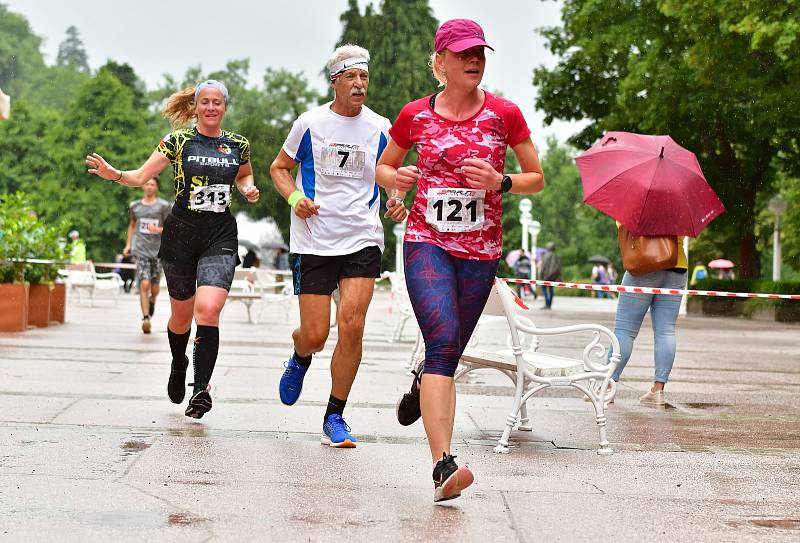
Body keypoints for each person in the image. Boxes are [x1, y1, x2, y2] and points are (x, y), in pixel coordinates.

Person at [375, 19, 545, 502]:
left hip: (481, 251)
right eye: (465, 53)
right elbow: (384, 164)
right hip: (427, 241)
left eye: (481, 53)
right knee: (446, 344)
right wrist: (398, 177)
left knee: (442, 353)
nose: (475, 60)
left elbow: (536, 177)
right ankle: (442, 465)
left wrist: (501, 181)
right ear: (442, 60)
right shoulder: (414, 115)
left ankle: (421, 379)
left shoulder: (504, 114)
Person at [86, 79, 260, 419]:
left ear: (225, 107)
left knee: (208, 310)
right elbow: (140, 176)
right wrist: (115, 173)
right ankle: (179, 362)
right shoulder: (177, 141)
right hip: (181, 234)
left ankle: (201, 389)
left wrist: (249, 188)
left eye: (217, 103)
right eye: (205, 102)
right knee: (181, 318)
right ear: (195, 107)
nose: (211, 108)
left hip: (219, 234)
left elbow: (244, 176)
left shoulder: (238, 144)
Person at [269, 44, 407, 449]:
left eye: (364, 77)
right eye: (351, 77)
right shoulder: (309, 123)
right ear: (335, 81)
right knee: (316, 333)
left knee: (353, 326)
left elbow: (390, 174)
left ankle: (335, 415)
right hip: (314, 238)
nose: (360, 84)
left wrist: (397, 199)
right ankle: (300, 356)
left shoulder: (382, 127)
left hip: (362, 237)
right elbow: (279, 169)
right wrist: (295, 199)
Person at [610, 229, 688, 406]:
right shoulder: (679, 204)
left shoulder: (638, 202)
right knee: (666, 331)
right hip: (676, 265)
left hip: (644, 261)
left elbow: (623, 224)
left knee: (625, 331)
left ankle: (608, 387)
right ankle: (658, 390)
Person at [124, 178, 170, 334]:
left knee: (155, 288)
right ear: (143, 186)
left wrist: (158, 230)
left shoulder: (163, 206)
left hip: (158, 252)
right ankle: (145, 319)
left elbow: (171, 229)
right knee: (144, 284)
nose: (149, 187)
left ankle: (152, 300)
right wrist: (128, 244)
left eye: (152, 184)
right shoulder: (135, 206)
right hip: (141, 250)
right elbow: (132, 225)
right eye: (147, 184)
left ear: (156, 187)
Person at [538, 241, 561, 309]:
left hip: (546, 276)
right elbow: (559, 267)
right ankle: (549, 304)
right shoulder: (557, 256)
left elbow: (543, 267)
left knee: (544, 289)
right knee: (551, 290)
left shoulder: (546, 256)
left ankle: (547, 304)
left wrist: (541, 275)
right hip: (553, 276)